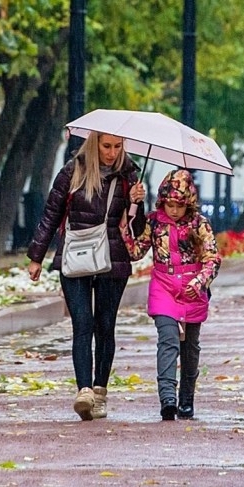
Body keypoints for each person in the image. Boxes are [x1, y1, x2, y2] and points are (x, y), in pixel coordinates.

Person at [27, 131, 146, 421]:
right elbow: (50, 214)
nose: (111, 152)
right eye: (106, 146)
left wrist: (137, 203)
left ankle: (100, 391)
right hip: (75, 255)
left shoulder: (130, 175)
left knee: (105, 325)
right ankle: (84, 392)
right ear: (95, 144)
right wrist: (36, 256)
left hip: (112, 258)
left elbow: (139, 228)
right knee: (82, 324)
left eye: (118, 146)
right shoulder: (72, 171)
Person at [120, 169, 221, 421]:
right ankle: (167, 397)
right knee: (168, 339)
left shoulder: (199, 224)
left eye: (179, 205)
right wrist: (129, 218)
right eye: (169, 204)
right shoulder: (155, 222)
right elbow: (136, 251)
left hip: (192, 288)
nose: (174, 210)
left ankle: (187, 398)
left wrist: (199, 281)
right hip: (164, 285)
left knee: (190, 347)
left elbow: (212, 258)